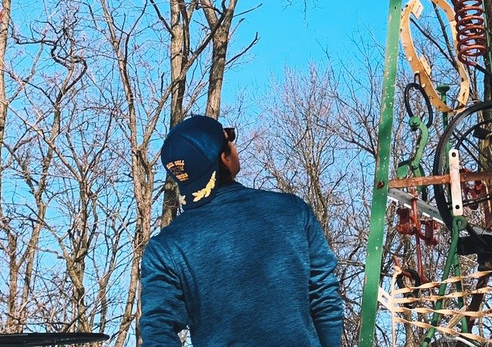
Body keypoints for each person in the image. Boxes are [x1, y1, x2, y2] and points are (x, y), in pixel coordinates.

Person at [138, 115, 344, 347]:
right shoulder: (292, 212)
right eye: (230, 138)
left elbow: (158, 330)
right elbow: (324, 296)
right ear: (224, 157)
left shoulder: (166, 248)